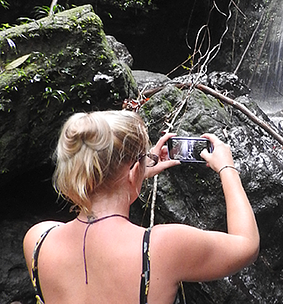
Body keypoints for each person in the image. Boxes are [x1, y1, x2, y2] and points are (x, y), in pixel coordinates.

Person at [23, 110, 259, 304]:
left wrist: (133, 173)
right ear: (135, 170)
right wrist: (228, 169)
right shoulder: (161, 248)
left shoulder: (37, 240)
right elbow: (247, 246)